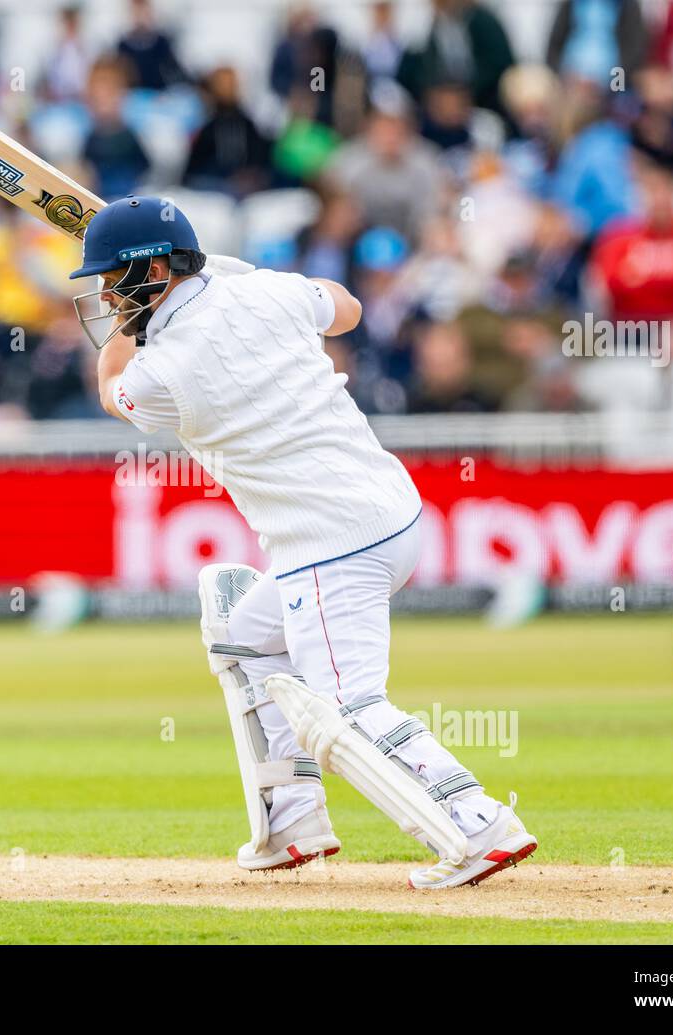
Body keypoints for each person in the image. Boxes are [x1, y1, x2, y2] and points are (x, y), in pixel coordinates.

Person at [72, 196, 536, 888]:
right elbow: (345, 307)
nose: (107, 296)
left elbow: (111, 387)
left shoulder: (161, 372)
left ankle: (478, 823)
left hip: (329, 545)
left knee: (348, 709)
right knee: (245, 636)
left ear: (158, 272)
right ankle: (292, 817)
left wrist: (156, 310)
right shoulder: (271, 290)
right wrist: (233, 274)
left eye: (115, 280)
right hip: (393, 514)